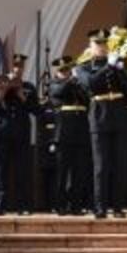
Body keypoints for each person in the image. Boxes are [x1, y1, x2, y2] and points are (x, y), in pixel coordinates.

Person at [76, 29, 127, 218]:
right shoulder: (83, 67)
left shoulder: (117, 65)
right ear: (91, 46)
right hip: (99, 116)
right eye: (98, 44)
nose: (102, 47)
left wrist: (120, 70)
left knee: (120, 165)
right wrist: (108, 67)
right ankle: (100, 207)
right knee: (101, 166)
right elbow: (90, 85)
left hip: (119, 116)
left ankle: (118, 207)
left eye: (104, 44)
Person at [0, 54, 39, 216]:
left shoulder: (28, 87)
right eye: (14, 66)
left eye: (20, 66)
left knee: (22, 171)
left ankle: (23, 206)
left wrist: (22, 96)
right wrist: (1, 93)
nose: (17, 69)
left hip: (22, 134)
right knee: (1, 170)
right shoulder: (0, 84)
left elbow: (37, 110)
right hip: (3, 134)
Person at [48, 56, 92, 216]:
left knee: (78, 172)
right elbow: (59, 92)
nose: (65, 73)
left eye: (67, 70)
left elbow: (87, 100)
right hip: (64, 133)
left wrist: (79, 84)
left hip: (80, 132)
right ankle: (60, 205)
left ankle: (76, 205)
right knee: (62, 171)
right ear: (57, 72)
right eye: (62, 70)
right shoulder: (54, 84)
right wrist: (71, 80)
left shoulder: (76, 85)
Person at [35, 96, 59, 213]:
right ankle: (45, 204)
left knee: (55, 177)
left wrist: (54, 141)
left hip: (55, 145)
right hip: (43, 145)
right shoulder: (42, 107)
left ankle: (55, 204)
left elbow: (57, 125)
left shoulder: (57, 106)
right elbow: (40, 125)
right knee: (44, 177)